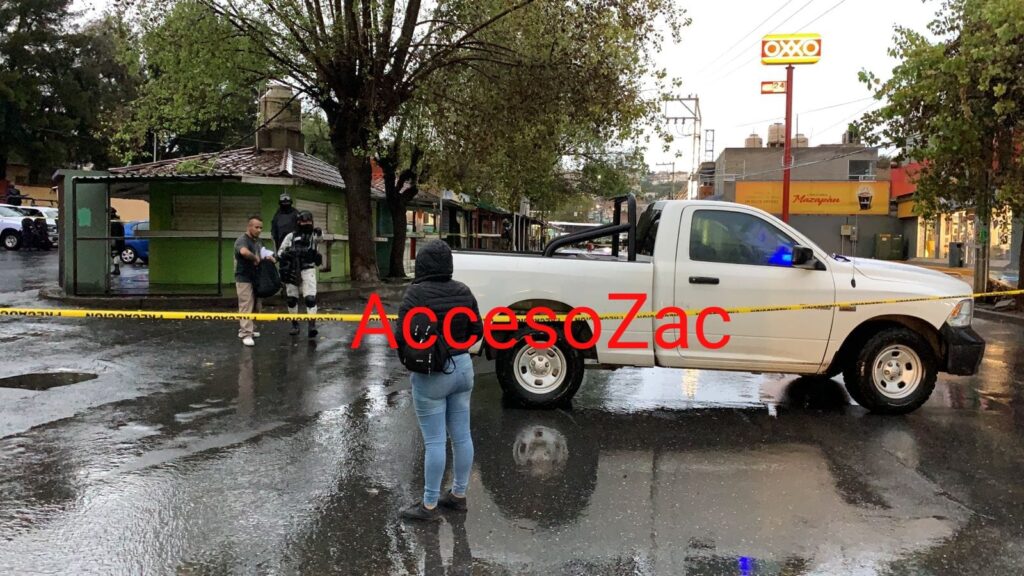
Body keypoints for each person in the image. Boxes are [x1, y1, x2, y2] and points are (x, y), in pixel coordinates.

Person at [395, 240, 483, 521]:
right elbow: (477, 330)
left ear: (421, 265)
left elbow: (401, 336)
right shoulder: (463, 291)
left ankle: (429, 505)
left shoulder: (416, 294)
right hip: (463, 369)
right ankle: (458, 495)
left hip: (432, 374)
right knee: (462, 436)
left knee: (434, 442)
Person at [277, 210, 323, 338]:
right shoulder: (291, 236)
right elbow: (280, 252)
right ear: (298, 222)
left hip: (308, 269)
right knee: (291, 299)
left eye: (309, 221)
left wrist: (319, 232)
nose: (306, 223)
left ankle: (312, 326)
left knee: (310, 299)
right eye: (304, 221)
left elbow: (320, 239)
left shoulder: (314, 235)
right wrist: (286, 254)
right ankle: (294, 325)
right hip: (292, 269)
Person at [234, 215, 275, 347]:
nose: (259, 230)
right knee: (246, 305)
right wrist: (254, 258)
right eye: (256, 227)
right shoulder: (242, 240)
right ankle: (246, 333)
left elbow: (263, 252)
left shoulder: (258, 241)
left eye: (261, 228)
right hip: (244, 277)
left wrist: (268, 257)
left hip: (257, 277)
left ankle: (250, 328)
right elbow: (244, 252)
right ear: (249, 226)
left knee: (256, 306)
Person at [109, 208, 125, 276]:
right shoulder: (118, 221)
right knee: (115, 255)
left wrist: (113, 241)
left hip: (116, 241)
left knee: (115, 254)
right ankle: (116, 269)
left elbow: (115, 233)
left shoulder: (114, 222)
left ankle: (116, 269)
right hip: (119, 240)